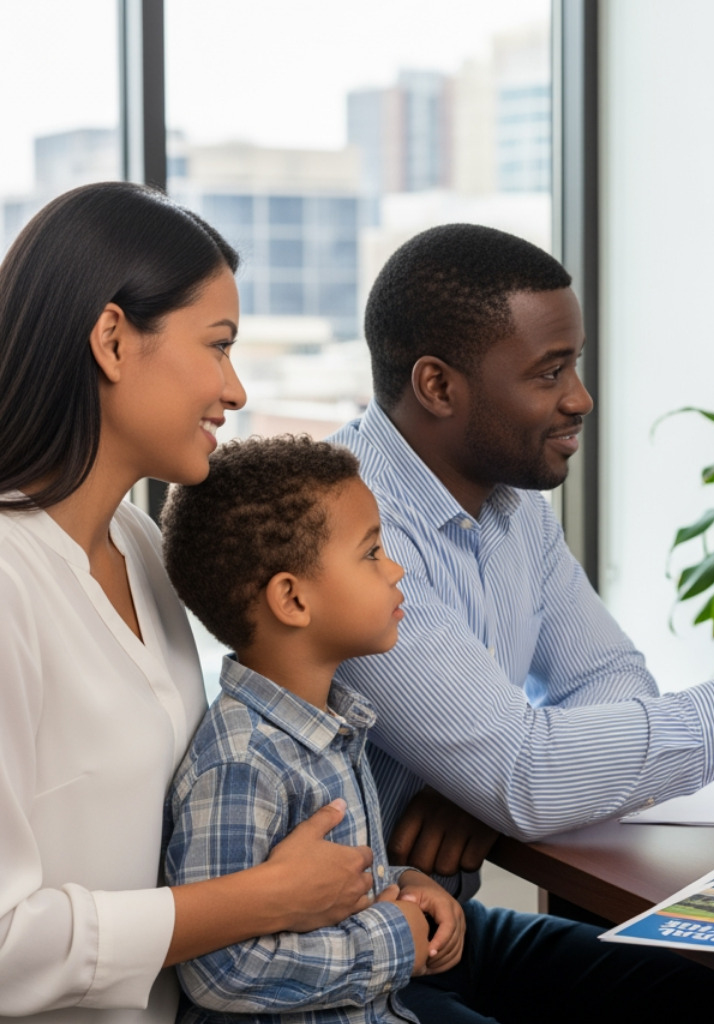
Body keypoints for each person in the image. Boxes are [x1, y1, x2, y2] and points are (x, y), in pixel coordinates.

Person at [327, 223, 714, 1019]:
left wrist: (484, 785)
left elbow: (609, 680)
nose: (579, 397)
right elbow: (525, 775)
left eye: (578, 363)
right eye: (549, 371)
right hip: (346, 958)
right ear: (438, 385)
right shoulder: (345, 529)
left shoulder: (513, 505)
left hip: (443, 929)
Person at [0, 183, 382, 1021]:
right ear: (111, 339)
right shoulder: (8, 584)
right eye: (217, 346)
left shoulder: (140, 548)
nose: (236, 389)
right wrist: (263, 901)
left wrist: (357, 890)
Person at [159, 436, 464, 1023]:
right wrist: (392, 938)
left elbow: (323, 895)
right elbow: (220, 968)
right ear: (292, 599)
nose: (395, 568)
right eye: (372, 552)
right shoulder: (243, 762)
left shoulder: (332, 728)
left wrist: (405, 884)